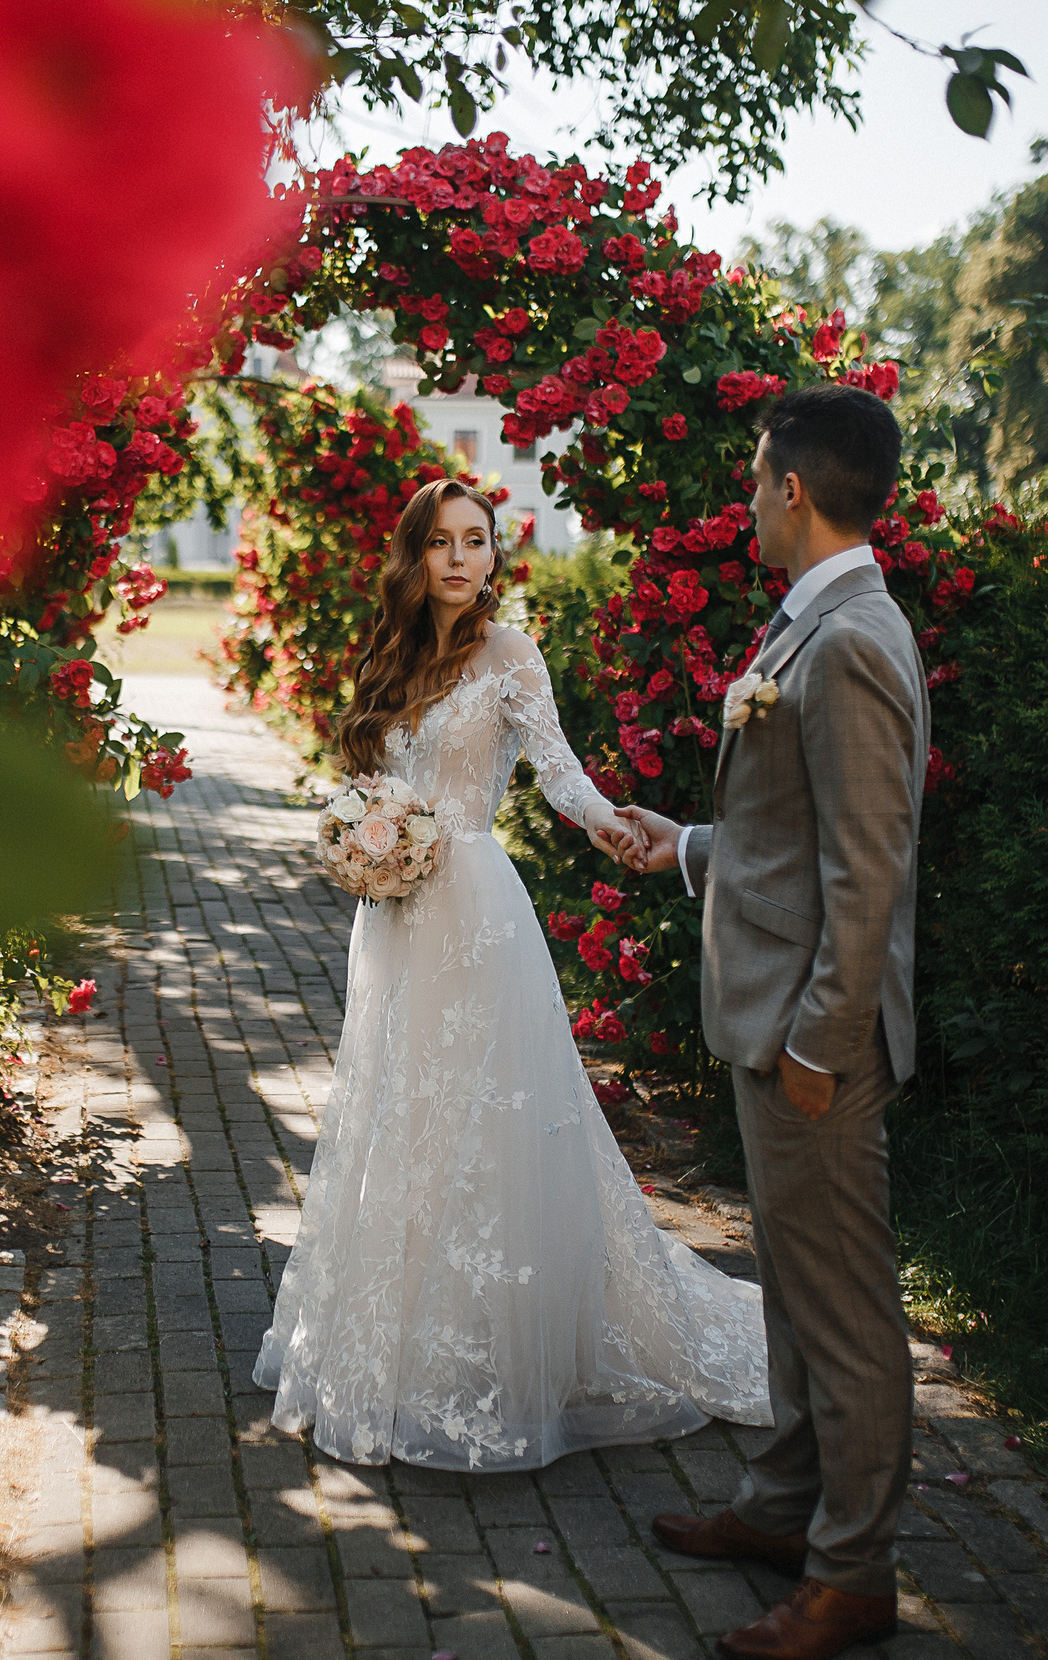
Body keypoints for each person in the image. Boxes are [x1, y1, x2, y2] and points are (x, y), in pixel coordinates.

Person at [252, 478, 770, 1472]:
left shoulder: (510, 653)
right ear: (415, 556)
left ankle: (502, 1350)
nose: (458, 558)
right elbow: (372, 785)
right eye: (440, 541)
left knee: (482, 1117)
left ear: (495, 555)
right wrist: (361, 839)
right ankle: (393, 1348)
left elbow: (558, 767)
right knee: (401, 1115)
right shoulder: (390, 657)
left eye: (475, 541)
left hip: (477, 910)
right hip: (395, 920)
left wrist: (609, 821)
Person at [616, 384, 928, 1660]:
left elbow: (868, 872)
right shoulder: (817, 621)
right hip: (779, 1018)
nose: (746, 499)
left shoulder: (851, 637)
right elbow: (791, 839)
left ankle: (851, 1575)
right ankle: (781, 1510)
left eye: (753, 479)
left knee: (843, 1311)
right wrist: (684, 845)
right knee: (795, 1296)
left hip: (815, 1040)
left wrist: (815, 1043)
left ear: (793, 489)